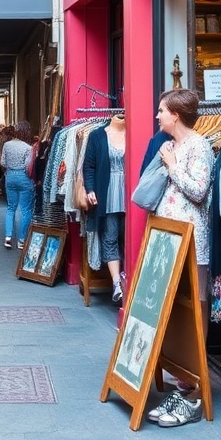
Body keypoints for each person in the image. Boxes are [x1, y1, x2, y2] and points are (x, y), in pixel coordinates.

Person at [146, 88, 215, 428]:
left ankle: (197, 381)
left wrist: (172, 166)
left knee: (195, 306)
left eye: (162, 110)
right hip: (170, 236)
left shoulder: (199, 146)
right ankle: (182, 375)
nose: (157, 115)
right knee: (173, 306)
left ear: (175, 114)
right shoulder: (173, 146)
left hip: (191, 240)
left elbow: (199, 190)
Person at [82, 113, 127, 305]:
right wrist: (90, 189)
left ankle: (129, 279)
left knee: (130, 237)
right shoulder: (97, 135)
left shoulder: (134, 132)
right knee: (110, 236)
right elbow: (88, 166)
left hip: (130, 193)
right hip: (107, 194)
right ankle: (117, 283)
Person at [0, 120, 34, 249]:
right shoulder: (28, 148)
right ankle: (22, 240)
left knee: (11, 208)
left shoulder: (7, 145)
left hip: (10, 176)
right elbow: (28, 166)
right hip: (24, 177)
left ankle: (8, 237)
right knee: (25, 210)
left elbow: (3, 162)